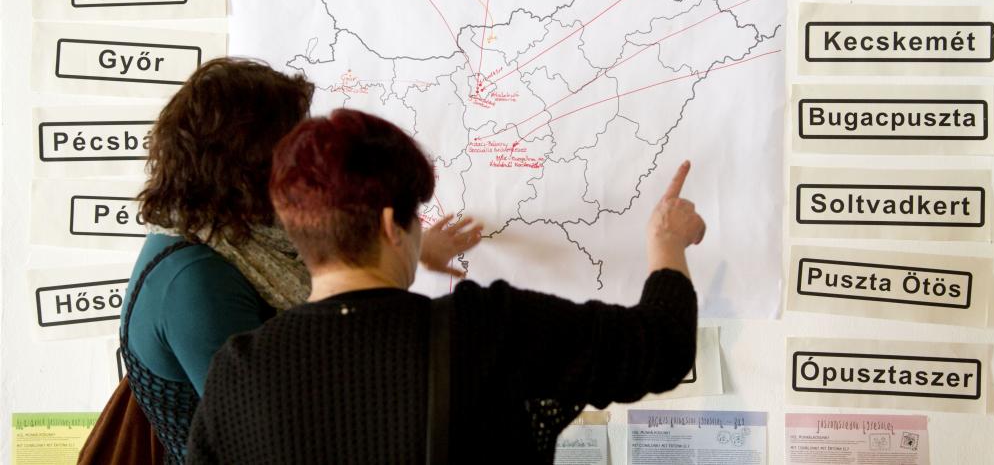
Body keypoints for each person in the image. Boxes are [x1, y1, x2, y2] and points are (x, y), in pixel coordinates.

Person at [187, 108, 703, 465]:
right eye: (415, 215)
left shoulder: (238, 371)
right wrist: (667, 243)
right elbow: (662, 347)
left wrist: (407, 256)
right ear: (391, 226)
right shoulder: (486, 329)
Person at [121, 59, 481, 464]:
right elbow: (277, 433)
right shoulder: (195, 282)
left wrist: (402, 243)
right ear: (251, 163)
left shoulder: (231, 237)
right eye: (293, 144)